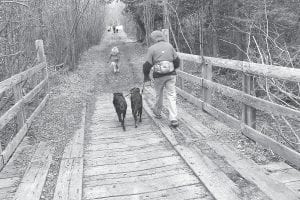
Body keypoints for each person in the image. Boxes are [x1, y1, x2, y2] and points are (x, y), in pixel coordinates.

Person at [143, 30, 181, 127]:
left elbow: (147, 65)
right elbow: (177, 61)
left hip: (159, 76)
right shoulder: (169, 46)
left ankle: (158, 113)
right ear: (162, 36)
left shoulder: (152, 49)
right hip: (171, 75)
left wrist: (146, 76)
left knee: (158, 95)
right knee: (171, 95)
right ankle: (173, 119)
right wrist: (173, 69)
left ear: (153, 39)